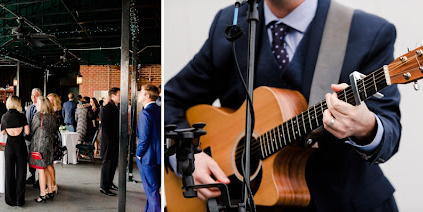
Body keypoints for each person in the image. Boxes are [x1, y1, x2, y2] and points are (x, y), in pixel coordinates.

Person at [164, 0, 402, 211]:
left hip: (343, 201)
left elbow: (389, 132)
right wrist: (188, 159)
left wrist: (367, 127)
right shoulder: (231, 23)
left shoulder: (368, 32)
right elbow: (171, 100)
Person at [136, 84, 162, 212]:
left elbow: (144, 138)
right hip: (159, 156)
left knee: (151, 190)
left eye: (141, 92)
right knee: (155, 189)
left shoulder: (145, 113)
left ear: (147, 96)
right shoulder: (160, 110)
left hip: (147, 157)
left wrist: (139, 153)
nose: (139, 94)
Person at [27, 96, 58, 203]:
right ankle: (49, 191)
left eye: (38, 103)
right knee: (46, 168)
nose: (36, 105)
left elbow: (31, 130)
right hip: (49, 145)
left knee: (41, 171)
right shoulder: (53, 116)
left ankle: (42, 194)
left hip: (39, 146)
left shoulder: (38, 116)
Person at [0, 95, 30, 206]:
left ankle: (10, 200)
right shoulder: (22, 116)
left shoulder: (4, 116)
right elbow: (27, 132)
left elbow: (3, 132)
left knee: (9, 173)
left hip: (9, 147)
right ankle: (19, 200)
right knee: (21, 173)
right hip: (20, 146)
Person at [99, 87, 121, 196]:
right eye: (119, 95)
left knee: (113, 163)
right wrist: (110, 141)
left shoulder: (116, 107)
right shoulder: (106, 108)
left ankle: (110, 182)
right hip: (109, 141)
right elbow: (106, 127)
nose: (120, 97)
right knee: (107, 164)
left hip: (115, 140)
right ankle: (104, 186)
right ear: (113, 96)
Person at [25, 88, 42, 187]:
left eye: (36, 95)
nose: (34, 97)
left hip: (39, 138)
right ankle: (32, 176)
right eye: (32, 95)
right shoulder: (29, 108)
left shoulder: (42, 108)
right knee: (30, 158)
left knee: (38, 158)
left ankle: (40, 179)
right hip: (29, 137)